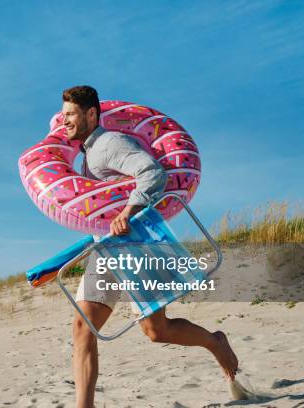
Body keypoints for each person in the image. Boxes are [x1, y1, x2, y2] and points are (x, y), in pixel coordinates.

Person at [61, 85, 239, 408]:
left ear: (91, 114)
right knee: (81, 327)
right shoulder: (87, 158)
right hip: (107, 249)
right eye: (63, 115)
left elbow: (152, 173)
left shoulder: (109, 144)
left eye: (71, 114)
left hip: (137, 245)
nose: (65, 121)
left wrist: (127, 212)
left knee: (157, 331)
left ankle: (215, 342)